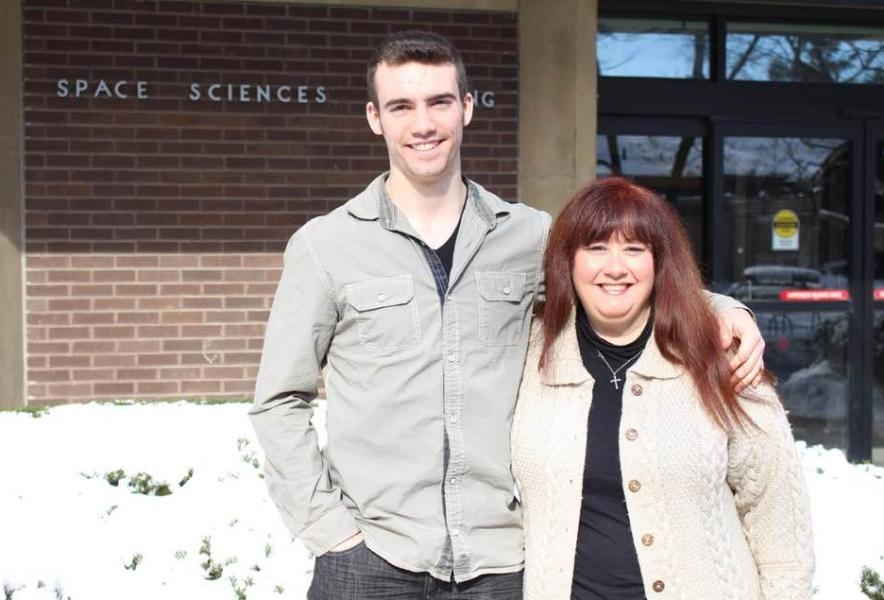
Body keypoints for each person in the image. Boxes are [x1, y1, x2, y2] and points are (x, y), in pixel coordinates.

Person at [249, 31, 767, 599]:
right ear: (376, 118)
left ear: (466, 107)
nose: (423, 124)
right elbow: (279, 400)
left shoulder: (529, 235)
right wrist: (330, 530)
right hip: (370, 558)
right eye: (402, 106)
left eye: (440, 102)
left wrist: (721, 307)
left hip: (498, 562)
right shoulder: (325, 246)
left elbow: (618, 283)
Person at [511, 177, 814, 600]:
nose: (614, 267)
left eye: (634, 249)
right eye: (596, 248)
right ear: (569, 260)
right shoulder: (527, 350)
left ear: (658, 262)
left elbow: (776, 516)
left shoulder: (722, 353)